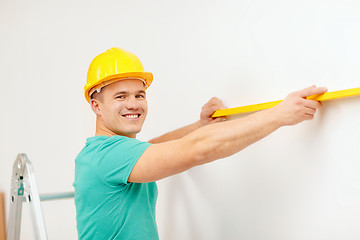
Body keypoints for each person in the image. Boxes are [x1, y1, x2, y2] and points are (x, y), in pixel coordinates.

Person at [73, 47, 327, 240]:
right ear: (96, 105)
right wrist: (278, 115)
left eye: (139, 94)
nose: (133, 104)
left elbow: (154, 147)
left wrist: (201, 126)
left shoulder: (108, 153)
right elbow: (196, 150)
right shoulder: (107, 156)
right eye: (121, 96)